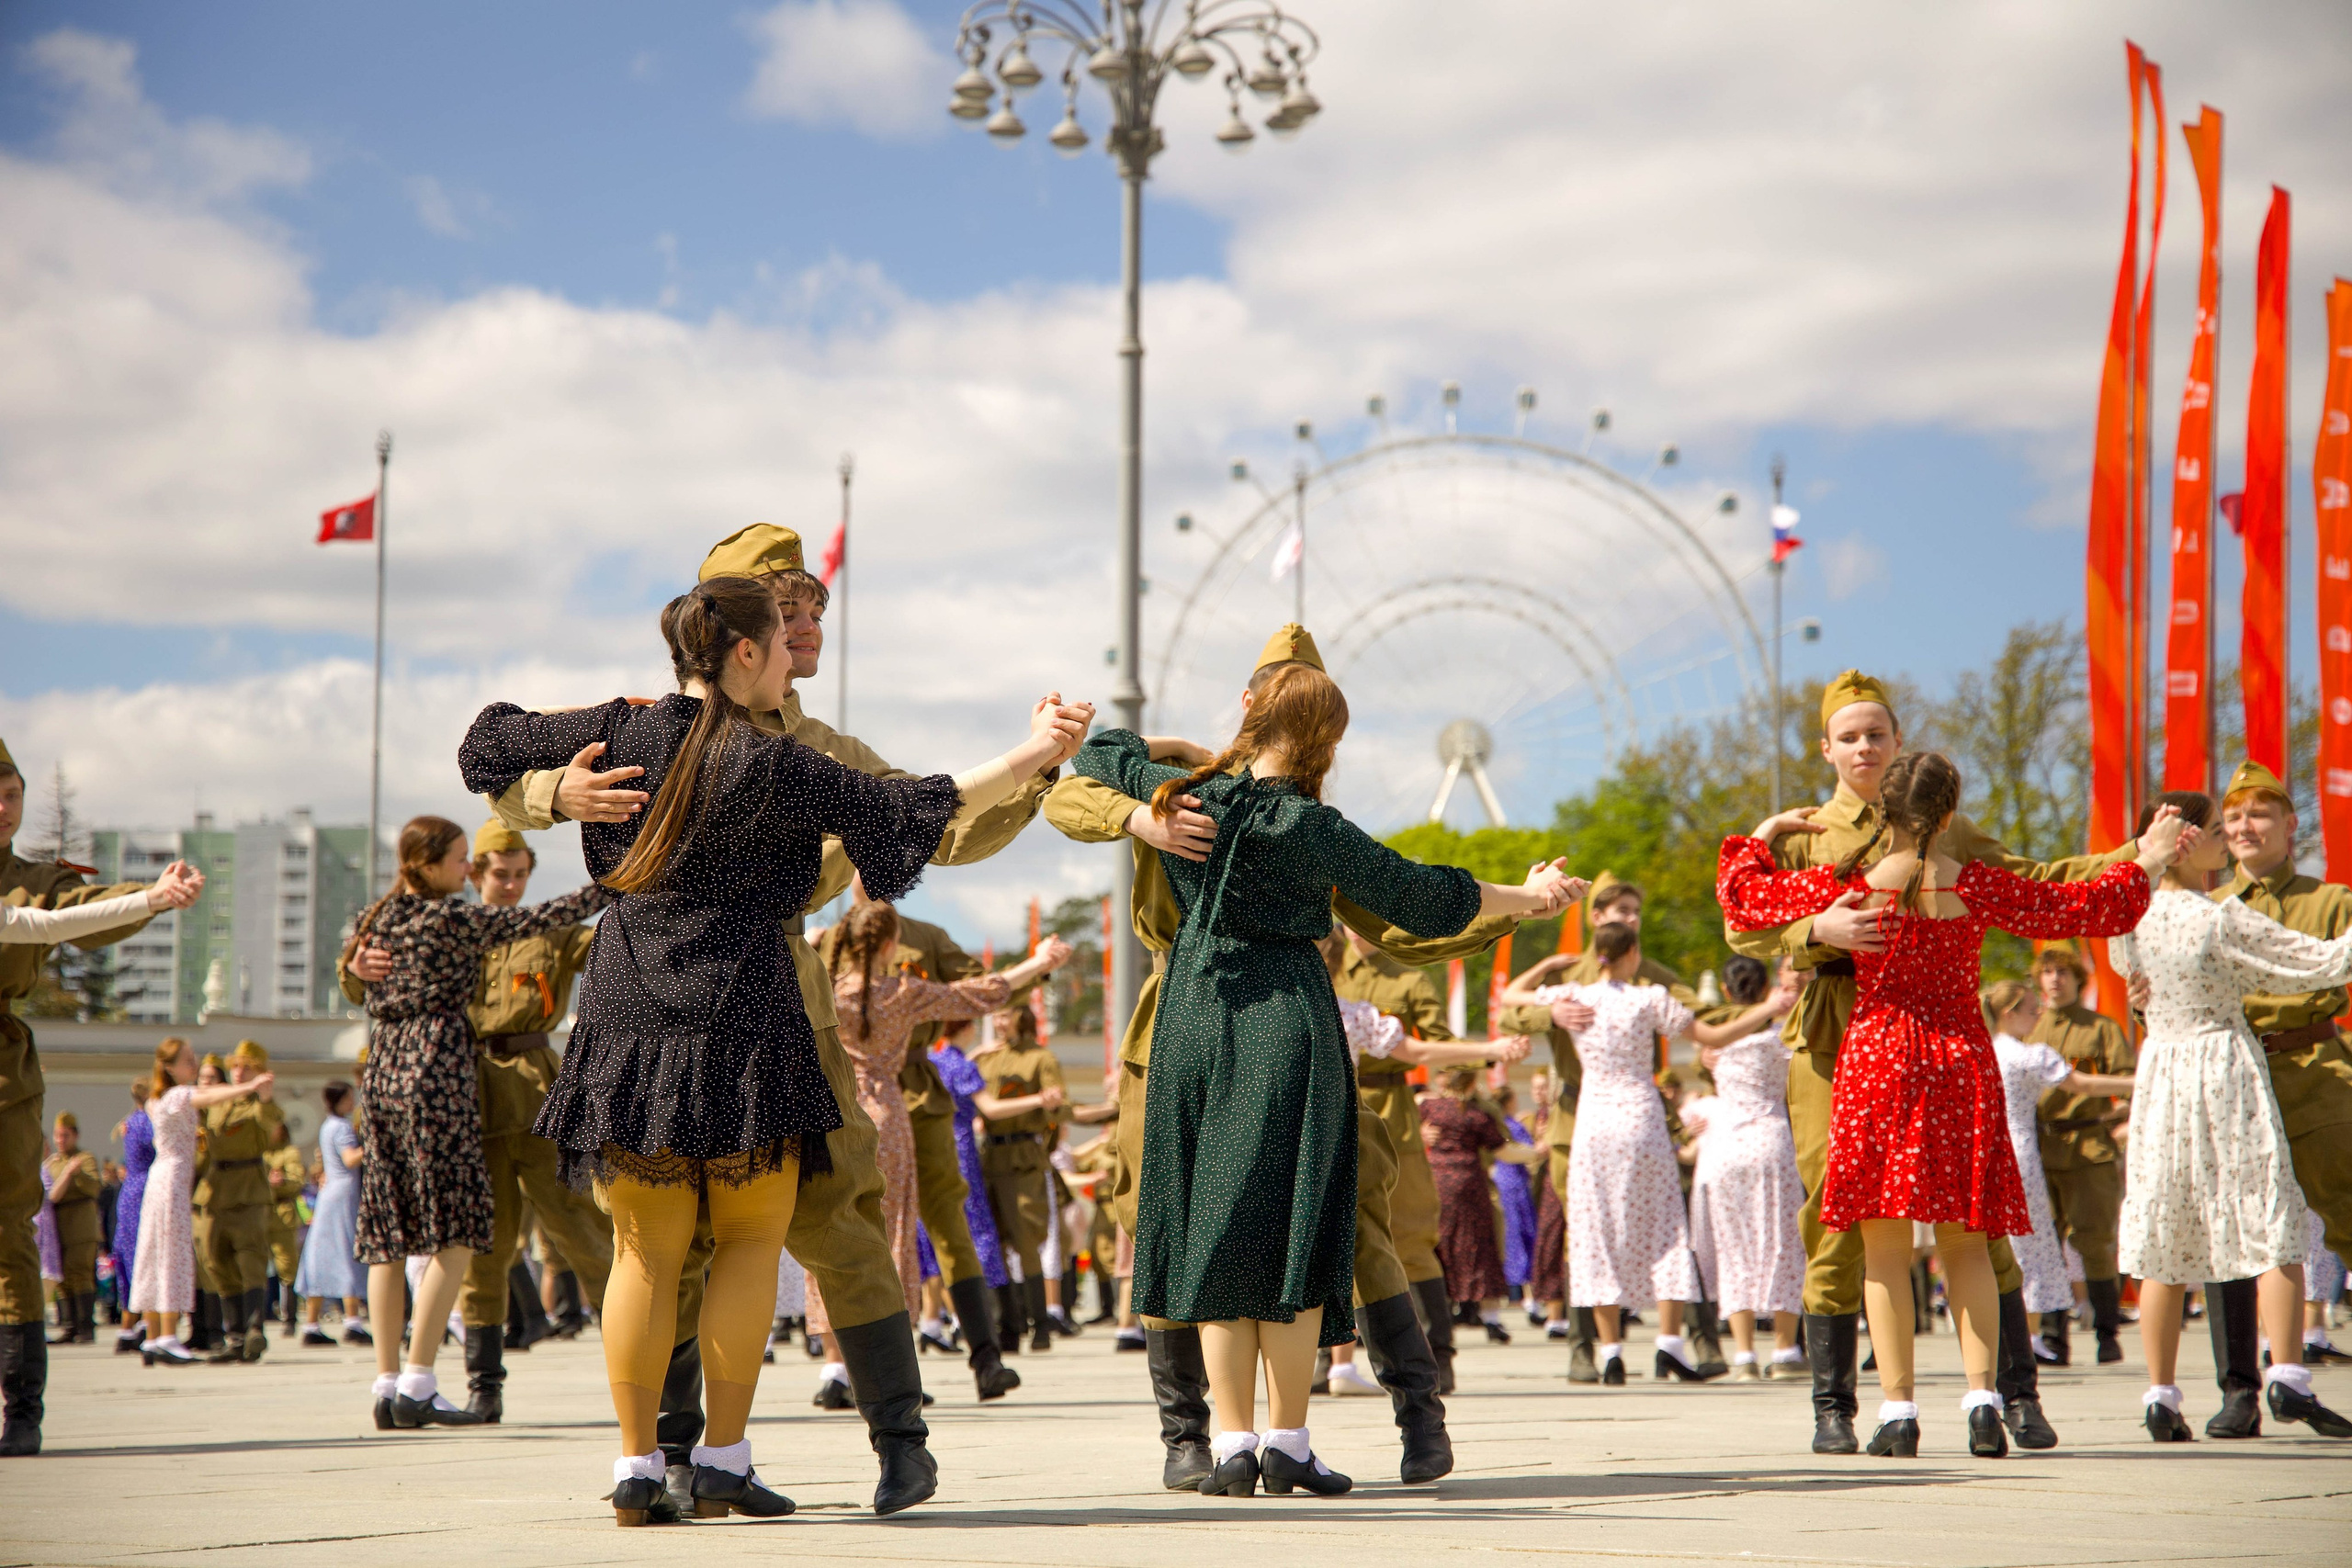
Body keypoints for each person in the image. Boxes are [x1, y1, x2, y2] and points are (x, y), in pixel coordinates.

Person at [458, 572, 1086, 1525]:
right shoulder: (772, 762)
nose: (796, 654)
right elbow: (920, 803)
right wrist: (1039, 748)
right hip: (748, 1011)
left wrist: (557, 788)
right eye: (782, 642)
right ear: (744, 652)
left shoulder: (621, 728)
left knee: (642, 1254)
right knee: (751, 1245)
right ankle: (722, 1458)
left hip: (627, 1010)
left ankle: (636, 1468)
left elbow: (483, 740)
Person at [1071, 662, 1578, 1500]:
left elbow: (1104, 751)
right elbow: (1426, 896)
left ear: (1251, 714)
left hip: (1194, 1013)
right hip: (1286, 1019)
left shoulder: (1183, 799)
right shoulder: (1316, 827)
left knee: (1211, 1231)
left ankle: (1230, 1444)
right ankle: (1288, 1440)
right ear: (1328, 743)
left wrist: (1184, 765)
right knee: (1295, 1226)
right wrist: (1527, 895)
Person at [1719, 750, 2182, 1459]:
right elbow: (2086, 903)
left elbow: (1745, 896)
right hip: (1961, 1056)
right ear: (1949, 811)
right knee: (1967, 1239)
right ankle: (1982, 1401)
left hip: (1878, 1058)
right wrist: (2147, 856)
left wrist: (1766, 827)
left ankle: (1898, 1410)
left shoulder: (1850, 888)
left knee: (1883, 1250)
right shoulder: (1975, 883)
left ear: (1883, 811)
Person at [343, 816, 614, 1436]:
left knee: (391, 1232)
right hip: (450, 1080)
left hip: (418, 1074)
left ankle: (391, 1384)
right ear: (442, 865)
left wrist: (359, 966)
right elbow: (352, 972)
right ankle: (432, 1381)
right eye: (475, 863)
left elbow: (356, 968)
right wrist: (620, 879)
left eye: (516, 872)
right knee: (466, 1236)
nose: (480, 874)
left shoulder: (377, 916)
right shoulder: (458, 919)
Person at [2111, 788, 2352, 1441]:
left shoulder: (2122, 921)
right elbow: (2319, 963)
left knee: (2163, 1234)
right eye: (2218, 830)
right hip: (2222, 1067)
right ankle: (2288, 1377)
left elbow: (2134, 983)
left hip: (2161, 1071)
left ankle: (2160, 1394)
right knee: (2268, 1218)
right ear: (2185, 843)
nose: (2227, 840)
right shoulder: (2218, 916)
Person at [804, 900, 1071, 1408]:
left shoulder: (825, 987)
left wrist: (811, 949)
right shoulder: (903, 992)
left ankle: (837, 1364)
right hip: (892, 1109)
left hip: (837, 1111)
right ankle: (900, 1365)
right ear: (888, 945)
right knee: (900, 1235)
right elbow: (979, 992)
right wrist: (1039, 964)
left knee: (833, 1229)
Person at [1499, 924, 1788, 1383]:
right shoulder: (1649, 997)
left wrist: (1547, 971)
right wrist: (1771, 1008)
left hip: (1593, 1123)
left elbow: (1512, 995)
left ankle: (1611, 1352)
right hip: (1640, 1118)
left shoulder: (1574, 996)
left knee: (1597, 1229)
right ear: (1632, 953)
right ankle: (1669, 1345)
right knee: (1665, 1228)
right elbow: (1712, 1037)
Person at [0, 738, 173, 1457]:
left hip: (2, 1077)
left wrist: (155, 897)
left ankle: (22, 1408)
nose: (1, 806)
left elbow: (79, 912)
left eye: (10, 793)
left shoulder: (30, 880)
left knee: (8, 1232)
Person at [2180, 760, 2352, 1439]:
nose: (2245, 826)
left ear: (2290, 824)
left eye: (2260, 813)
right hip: (2234, 1076)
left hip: (2317, 1072)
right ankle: (2240, 1390)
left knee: (2345, 1208)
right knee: (2234, 1237)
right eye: (2235, 816)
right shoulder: (2206, 908)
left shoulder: (2332, 899)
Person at [1495, 874, 1705, 1382]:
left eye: (1634, 912)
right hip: (1574, 1113)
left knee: (1653, 1222)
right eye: (1618, 913)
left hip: (1625, 1113)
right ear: (1595, 918)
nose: (1627, 920)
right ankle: (1584, 1346)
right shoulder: (1573, 972)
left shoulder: (1651, 975)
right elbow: (1511, 1020)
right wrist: (1554, 1015)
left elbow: (1698, 1013)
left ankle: (1691, 1338)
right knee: (1585, 1231)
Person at [1980, 981, 2133, 1363]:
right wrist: (2140, 1081)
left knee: (2002, 1244)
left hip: (1989, 1151)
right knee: (2030, 1244)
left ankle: (2018, 1335)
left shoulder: (1982, 1051)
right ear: (2009, 1013)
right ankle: (2027, 1337)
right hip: (2021, 1150)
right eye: (2032, 1009)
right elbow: (2082, 1083)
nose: (2038, 1015)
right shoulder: (2027, 1055)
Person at [1686, 957, 1808, 1380]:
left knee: (1733, 1245)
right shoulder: (1782, 1040)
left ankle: (1743, 1354)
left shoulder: (1717, 1044)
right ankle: (1785, 1348)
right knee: (1782, 1242)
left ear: (1726, 991)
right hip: (1772, 1140)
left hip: (1726, 1145)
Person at [130, 1037, 274, 1368]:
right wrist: (249, 1086)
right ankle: (167, 1338)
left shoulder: (158, 1097)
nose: (193, 1067)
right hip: (176, 1181)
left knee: (156, 1256)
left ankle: (154, 1338)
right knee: (174, 1255)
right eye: (188, 1061)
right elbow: (209, 1096)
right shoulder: (179, 1094)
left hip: (170, 1179)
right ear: (168, 1067)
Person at [2025, 942, 2136, 1365]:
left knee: (2094, 1241)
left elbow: (2127, 1079)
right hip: (2039, 1147)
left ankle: (2107, 1333)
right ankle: (2054, 1338)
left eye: (2064, 973)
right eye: (2048, 972)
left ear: (2078, 979)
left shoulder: (2101, 1028)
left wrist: (2119, 1119)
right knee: (2045, 1245)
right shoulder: (2029, 1028)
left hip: (2089, 1145)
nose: (2055, 980)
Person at [972, 1004, 1067, 1353]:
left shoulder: (1041, 1058)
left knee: (1027, 1241)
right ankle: (1008, 1326)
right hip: (990, 1158)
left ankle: (1040, 1324)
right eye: (995, 1016)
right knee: (993, 1245)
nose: (998, 1021)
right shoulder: (987, 1058)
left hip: (1024, 1158)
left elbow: (1056, 1105)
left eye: (1004, 1015)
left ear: (1022, 1017)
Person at [1420, 1068, 1542, 1334]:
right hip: (1472, 1186)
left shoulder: (1429, 1107)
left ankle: (1438, 1313)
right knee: (1481, 1247)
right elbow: (1504, 1152)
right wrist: (1537, 1152)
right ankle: (1491, 1317)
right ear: (1473, 1083)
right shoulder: (1478, 1114)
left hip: (1437, 1185)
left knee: (1440, 1247)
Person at [195, 1041, 288, 1365]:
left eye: (247, 1067)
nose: (238, 1071)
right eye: (235, 1066)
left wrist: (264, 1094)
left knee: (251, 1260)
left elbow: (270, 1121)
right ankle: (234, 1336)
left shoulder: (259, 1103)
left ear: (261, 1072)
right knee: (215, 1259)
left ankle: (253, 1328)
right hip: (216, 1189)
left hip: (248, 1190)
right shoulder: (220, 1101)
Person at [294, 1082, 369, 1347]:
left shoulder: (328, 1125)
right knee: (346, 1253)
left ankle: (312, 1323)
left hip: (329, 1197)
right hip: (343, 1195)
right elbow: (350, 1159)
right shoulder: (342, 1127)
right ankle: (352, 1321)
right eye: (350, 1098)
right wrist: (376, 1145)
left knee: (320, 1257)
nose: (353, 1102)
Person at [40, 1115, 101, 1347]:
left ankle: (86, 1326)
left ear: (75, 1135)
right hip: (58, 1227)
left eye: (65, 1135)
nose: (61, 1140)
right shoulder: (53, 1162)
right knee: (63, 1279)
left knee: (80, 1274)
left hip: (80, 1226)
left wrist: (77, 1174)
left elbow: (94, 1187)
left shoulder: (85, 1159)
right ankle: (70, 1325)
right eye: (57, 1136)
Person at [111, 1079, 153, 1354]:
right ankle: (149, 1322)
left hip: (129, 1192)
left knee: (129, 1256)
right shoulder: (147, 1122)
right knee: (146, 1256)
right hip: (145, 1191)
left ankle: (127, 1326)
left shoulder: (129, 1121)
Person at [264, 1121, 308, 1335]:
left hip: (282, 1215)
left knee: (287, 1268)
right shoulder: (257, 1150)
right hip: (258, 1214)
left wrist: (282, 1182)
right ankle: (256, 1319)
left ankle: (290, 1318)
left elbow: (297, 1180)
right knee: (253, 1268)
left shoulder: (289, 1152)